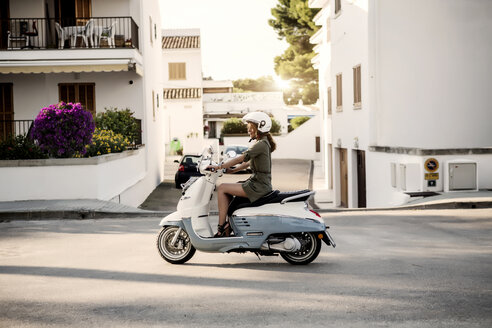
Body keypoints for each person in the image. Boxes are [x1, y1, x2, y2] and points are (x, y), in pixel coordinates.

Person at [207, 111, 276, 237]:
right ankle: (228, 226)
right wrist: (232, 171)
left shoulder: (261, 144)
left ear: (259, 127)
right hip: (258, 183)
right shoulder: (263, 143)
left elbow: (241, 158)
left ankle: (221, 228)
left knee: (222, 188)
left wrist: (219, 166)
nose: (248, 130)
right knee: (229, 191)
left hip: (258, 186)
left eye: (250, 128)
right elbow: (247, 163)